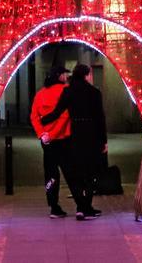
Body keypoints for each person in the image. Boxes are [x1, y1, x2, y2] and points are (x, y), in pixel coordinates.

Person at [41, 63, 107, 221]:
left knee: (78, 172)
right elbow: (100, 118)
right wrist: (103, 140)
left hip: (75, 133)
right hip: (91, 135)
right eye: (90, 74)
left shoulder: (68, 91)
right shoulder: (94, 92)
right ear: (87, 75)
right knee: (90, 172)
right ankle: (86, 207)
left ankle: (81, 207)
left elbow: (57, 111)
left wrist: (44, 120)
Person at [30, 65, 72, 218]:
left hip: (46, 142)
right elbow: (65, 115)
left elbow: (34, 117)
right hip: (63, 139)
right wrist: (53, 134)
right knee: (69, 171)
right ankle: (81, 204)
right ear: (60, 76)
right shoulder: (65, 91)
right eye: (65, 74)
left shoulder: (40, 94)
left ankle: (53, 206)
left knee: (50, 173)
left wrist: (42, 134)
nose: (66, 77)